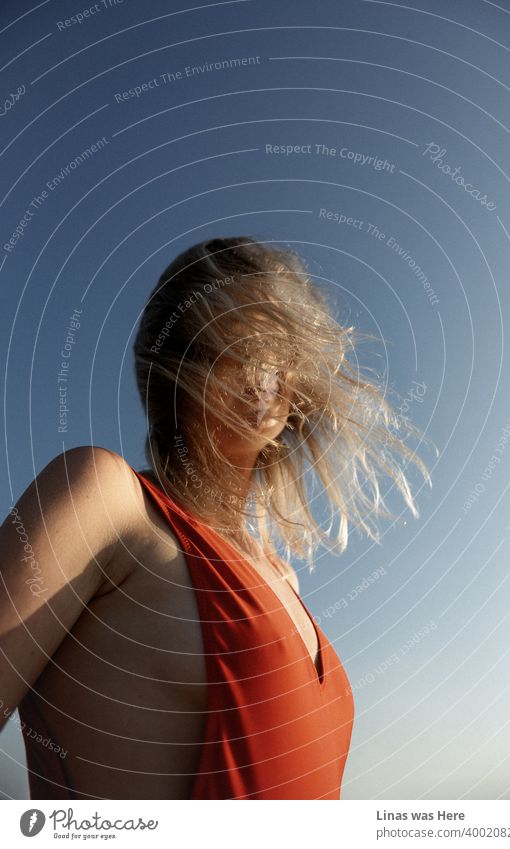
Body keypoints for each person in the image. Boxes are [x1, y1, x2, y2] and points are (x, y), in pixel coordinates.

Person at [0, 236, 432, 799]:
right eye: (234, 341)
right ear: (176, 365)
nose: (264, 371)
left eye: (278, 345)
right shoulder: (105, 498)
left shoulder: (282, 575)